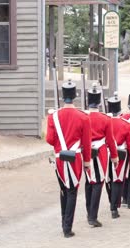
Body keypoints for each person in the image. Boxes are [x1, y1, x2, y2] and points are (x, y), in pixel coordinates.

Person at [46, 79, 92, 238]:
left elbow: (50, 140)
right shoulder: (83, 117)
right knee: (72, 191)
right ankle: (67, 227)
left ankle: (63, 222)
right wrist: (87, 162)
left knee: (64, 191)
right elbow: (86, 142)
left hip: (59, 159)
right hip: (75, 159)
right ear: (75, 96)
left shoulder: (54, 117)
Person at [85, 84, 119, 227]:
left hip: (85, 151)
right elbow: (110, 139)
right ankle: (93, 216)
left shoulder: (83, 117)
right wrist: (115, 156)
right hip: (100, 152)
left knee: (88, 182)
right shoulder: (105, 118)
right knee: (98, 182)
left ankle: (89, 212)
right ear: (99, 103)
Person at [105, 92, 130, 219]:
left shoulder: (105, 121)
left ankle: (111, 202)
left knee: (108, 180)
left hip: (105, 152)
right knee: (117, 180)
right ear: (119, 110)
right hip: (120, 154)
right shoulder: (126, 124)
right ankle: (114, 207)